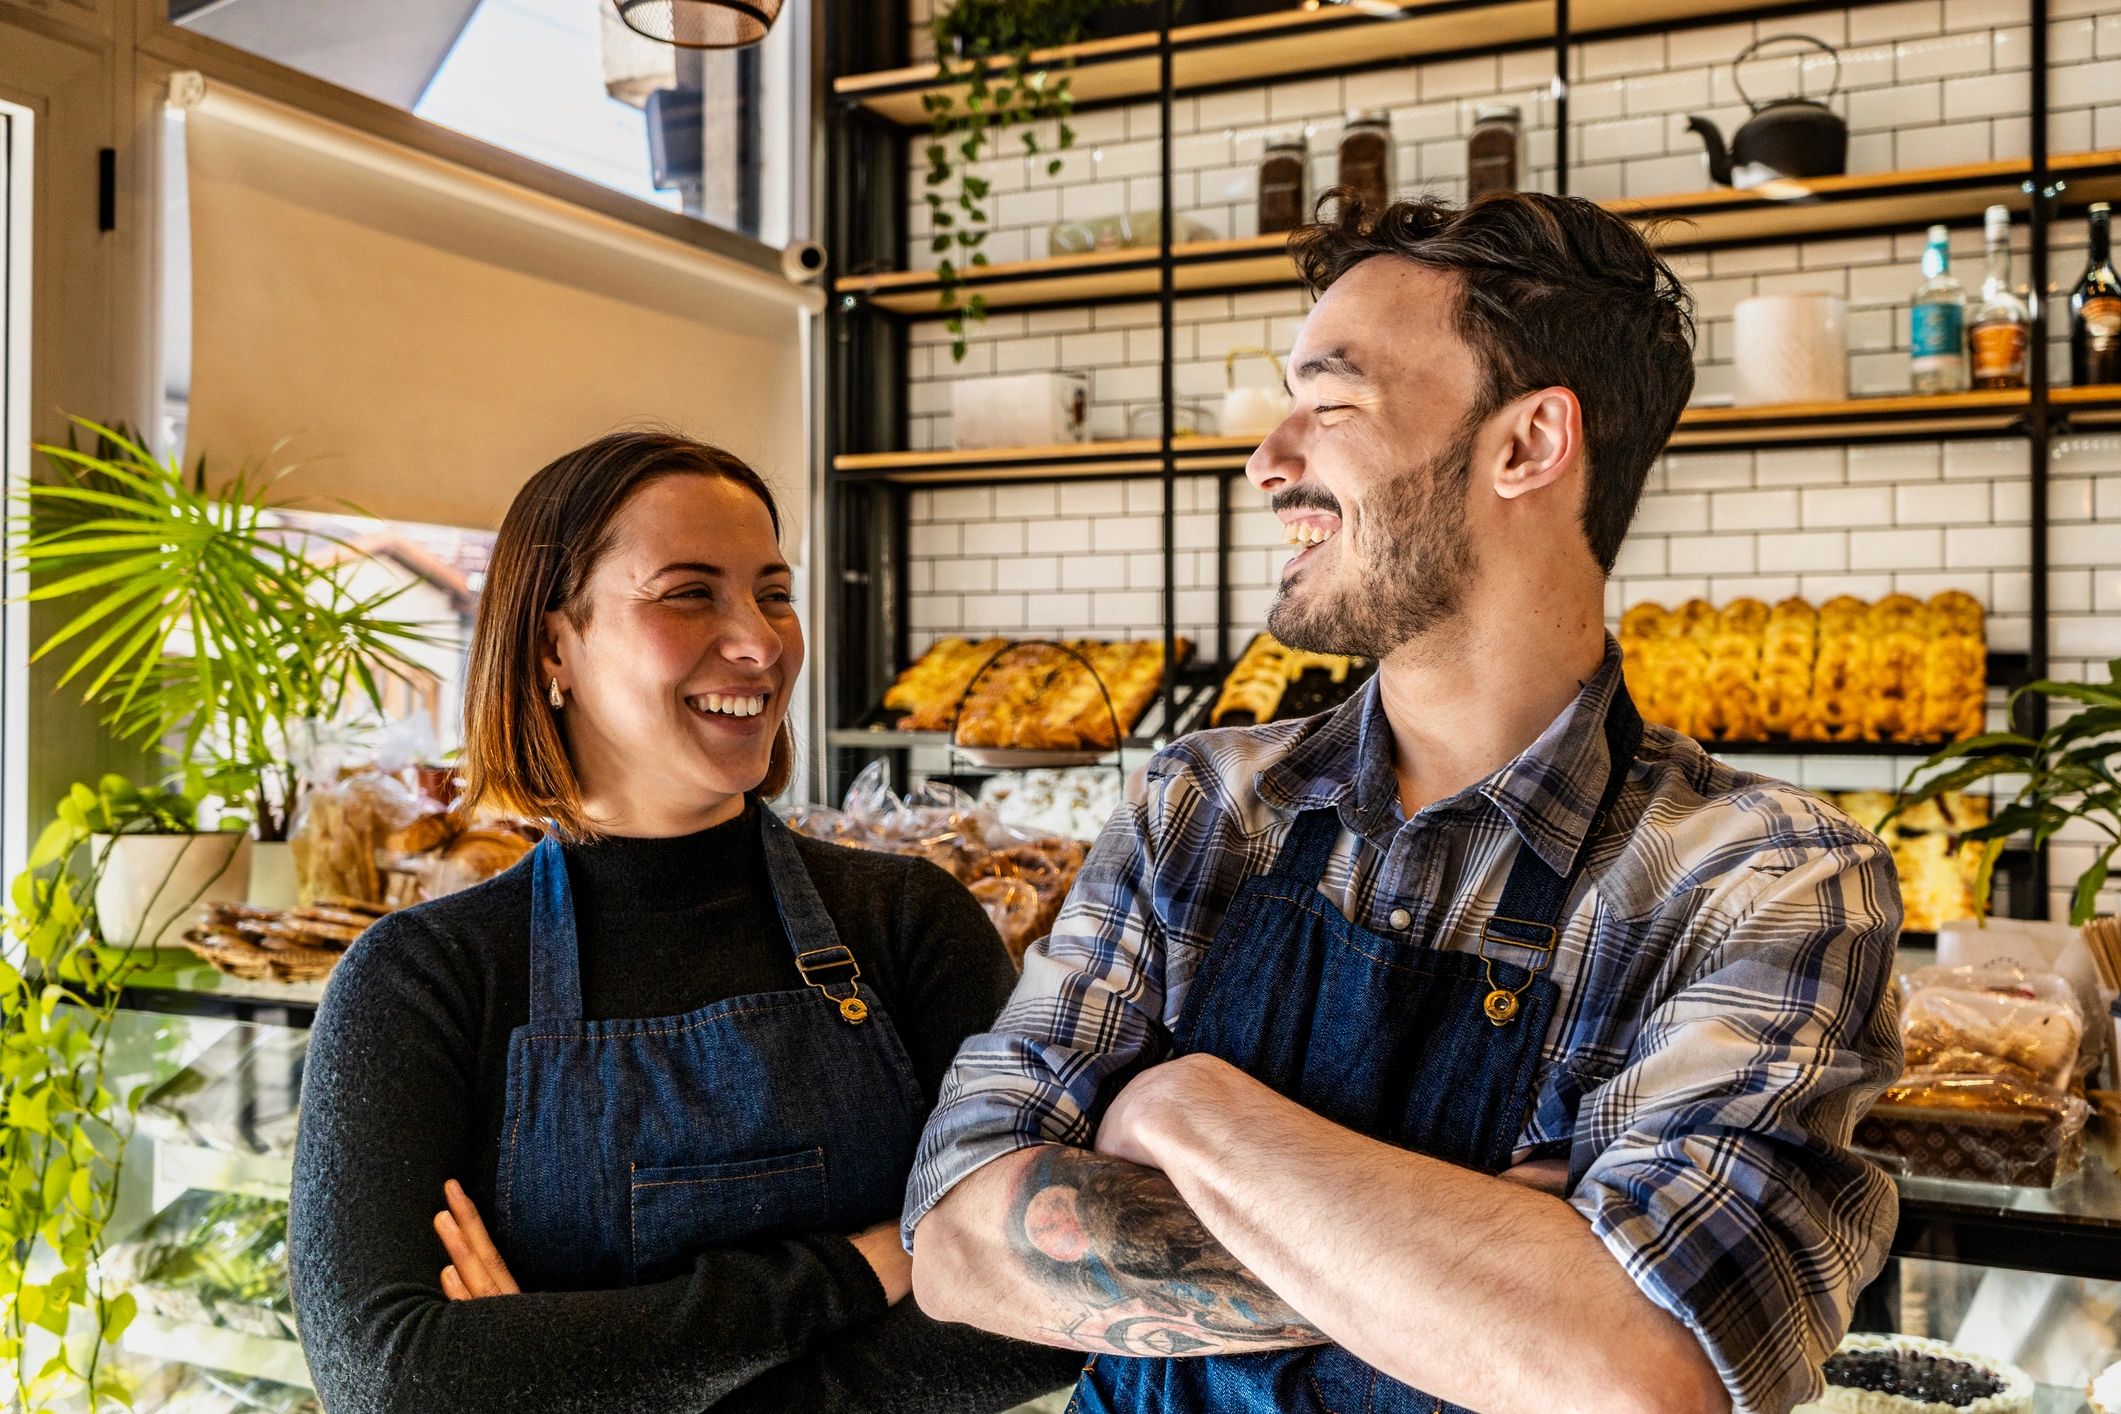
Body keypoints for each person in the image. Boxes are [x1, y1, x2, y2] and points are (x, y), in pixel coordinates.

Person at [903, 192, 1905, 1414]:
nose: (1270, 460)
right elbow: (957, 1241)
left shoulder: (1765, 877)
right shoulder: (1202, 806)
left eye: (1331, 405)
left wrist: (1185, 1108)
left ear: (1529, 444)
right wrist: (1507, 1268)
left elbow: (1644, 1372)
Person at [290, 430, 1078, 1413]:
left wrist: (578, 1375)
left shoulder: (909, 923)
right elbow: (393, 1377)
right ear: (551, 646)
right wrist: (852, 1273)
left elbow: (1046, 1302)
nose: (759, 641)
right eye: (689, 592)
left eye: (774, 592)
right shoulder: (426, 978)